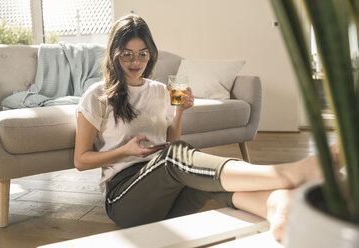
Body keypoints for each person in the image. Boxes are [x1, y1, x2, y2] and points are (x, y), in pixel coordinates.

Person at [74, 14, 323, 242]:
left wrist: (179, 112)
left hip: (165, 194)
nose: (135, 61)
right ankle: (284, 174)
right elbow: (81, 160)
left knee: (202, 175)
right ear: (114, 54)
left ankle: (273, 203)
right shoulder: (97, 95)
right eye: (127, 53)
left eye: (143, 53)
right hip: (124, 199)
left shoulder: (160, 90)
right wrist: (125, 151)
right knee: (176, 157)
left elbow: (172, 141)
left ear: (151, 53)